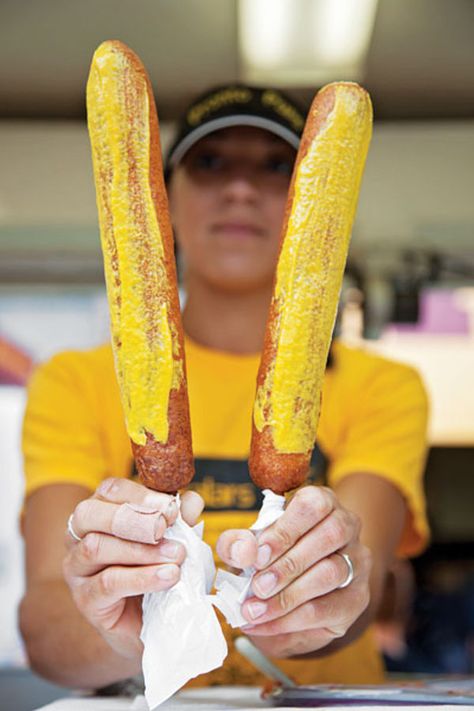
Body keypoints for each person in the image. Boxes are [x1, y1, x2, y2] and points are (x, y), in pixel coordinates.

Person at [20, 84, 429, 691]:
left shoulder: (383, 385)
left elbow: (363, 587)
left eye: (274, 167)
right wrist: (114, 627)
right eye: (210, 164)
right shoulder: (76, 382)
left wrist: (328, 595)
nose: (240, 190)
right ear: (166, 197)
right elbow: (46, 624)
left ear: (314, 198)